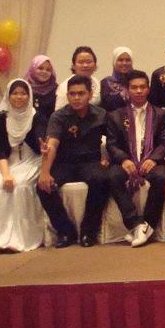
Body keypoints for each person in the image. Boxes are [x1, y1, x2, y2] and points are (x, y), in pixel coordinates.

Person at [37, 75, 110, 247]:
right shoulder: (58, 116)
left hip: (90, 162)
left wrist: (107, 158)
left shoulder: (101, 114)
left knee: (102, 180)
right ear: (67, 95)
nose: (76, 98)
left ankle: (88, 232)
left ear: (90, 95)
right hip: (64, 162)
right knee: (43, 187)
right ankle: (65, 232)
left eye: (81, 93)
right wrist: (45, 172)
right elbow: (52, 145)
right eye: (72, 94)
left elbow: (113, 140)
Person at [0, 80, 45, 254]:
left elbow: (40, 143)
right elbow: (0, 150)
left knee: (21, 185)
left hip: (32, 161)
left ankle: (21, 238)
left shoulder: (37, 117)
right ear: (8, 96)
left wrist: (42, 144)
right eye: (15, 93)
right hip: (9, 162)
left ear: (29, 96)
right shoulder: (1, 119)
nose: (19, 97)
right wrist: (6, 174)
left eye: (23, 93)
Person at [106, 70, 165, 247]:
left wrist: (154, 159)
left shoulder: (160, 114)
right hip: (126, 161)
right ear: (127, 90)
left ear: (148, 89)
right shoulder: (115, 115)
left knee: (161, 177)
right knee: (113, 176)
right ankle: (135, 223)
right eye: (134, 87)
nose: (139, 91)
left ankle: (147, 224)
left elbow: (164, 142)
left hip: (151, 160)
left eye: (142, 87)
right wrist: (124, 159)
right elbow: (111, 144)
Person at [24, 55, 57, 121]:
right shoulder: (24, 87)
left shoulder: (56, 89)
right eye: (40, 68)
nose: (44, 72)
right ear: (33, 69)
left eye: (48, 70)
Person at [100, 46, 134, 112]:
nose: (124, 63)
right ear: (114, 62)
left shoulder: (137, 82)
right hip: (112, 118)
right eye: (120, 60)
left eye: (128, 60)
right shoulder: (106, 83)